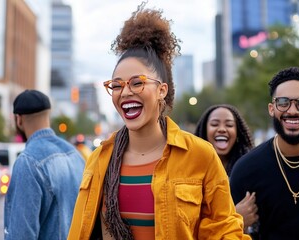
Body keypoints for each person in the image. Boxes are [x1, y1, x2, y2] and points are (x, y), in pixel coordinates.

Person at [68, 2, 250, 240]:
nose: (125, 93)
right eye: (117, 85)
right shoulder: (99, 159)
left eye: (137, 83)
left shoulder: (200, 155)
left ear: (162, 90)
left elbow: (225, 230)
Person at [230, 66, 299, 239]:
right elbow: (228, 233)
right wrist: (236, 221)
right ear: (272, 109)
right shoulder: (247, 169)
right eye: (283, 103)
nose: (292, 111)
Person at [4, 89, 85, 240]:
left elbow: (21, 235)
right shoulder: (75, 154)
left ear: (18, 119)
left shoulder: (28, 162)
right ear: (48, 115)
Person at [194, 104, 259, 236]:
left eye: (229, 125)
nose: (222, 129)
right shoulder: (191, 172)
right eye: (214, 124)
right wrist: (236, 218)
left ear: (238, 132)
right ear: (204, 131)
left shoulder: (250, 170)